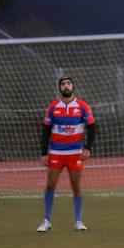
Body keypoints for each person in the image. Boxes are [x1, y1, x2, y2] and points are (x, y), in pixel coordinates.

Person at [38, 76, 97, 232]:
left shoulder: (83, 106)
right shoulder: (52, 108)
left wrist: (88, 148)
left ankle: (78, 221)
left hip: (75, 153)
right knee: (50, 185)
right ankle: (46, 220)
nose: (66, 86)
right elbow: (45, 130)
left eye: (68, 83)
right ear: (59, 88)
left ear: (73, 87)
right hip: (56, 152)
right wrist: (44, 153)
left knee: (76, 186)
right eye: (63, 84)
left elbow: (92, 127)